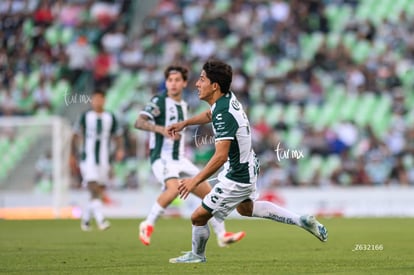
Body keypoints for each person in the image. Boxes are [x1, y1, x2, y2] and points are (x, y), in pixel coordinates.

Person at [167, 60, 328, 263]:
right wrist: (186, 123)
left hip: (237, 175)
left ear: (214, 86)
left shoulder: (224, 113)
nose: (197, 84)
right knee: (246, 209)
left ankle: (197, 256)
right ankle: (301, 220)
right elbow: (211, 114)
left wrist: (195, 181)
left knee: (198, 217)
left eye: (201, 80)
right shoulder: (225, 100)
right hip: (246, 164)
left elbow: (220, 156)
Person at [135, 65, 245, 247]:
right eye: (169, 80)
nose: (173, 84)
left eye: (177, 80)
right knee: (172, 190)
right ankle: (147, 224)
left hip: (180, 159)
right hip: (162, 157)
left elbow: (206, 116)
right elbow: (139, 122)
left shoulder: (184, 105)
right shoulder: (159, 101)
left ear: (185, 83)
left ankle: (222, 235)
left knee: (209, 194)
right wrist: (160, 129)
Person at [71, 89, 124, 231]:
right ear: (92, 101)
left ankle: (86, 220)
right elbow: (75, 135)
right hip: (87, 158)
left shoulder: (110, 117)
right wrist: (72, 154)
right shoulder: (85, 117)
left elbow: (118, 135)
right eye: (95, 99)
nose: (97, 102)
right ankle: (101, 220)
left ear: (104, 100)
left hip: (104, 159)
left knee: (97, 190)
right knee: (93, 187)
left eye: (100, 99)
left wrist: (119, 150)